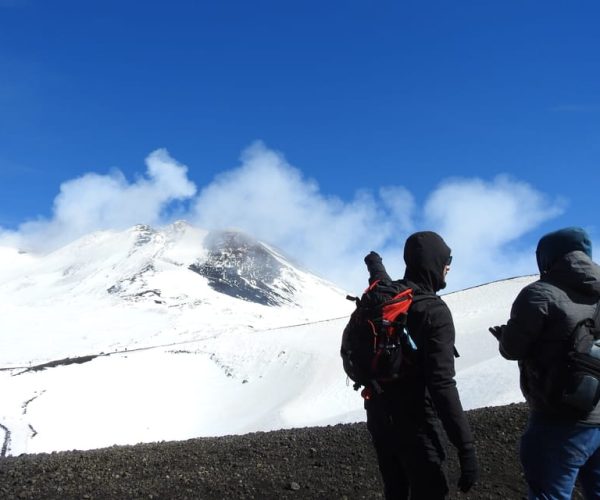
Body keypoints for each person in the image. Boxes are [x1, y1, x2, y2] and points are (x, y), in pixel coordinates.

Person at [363, 231, 478, 499]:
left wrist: (372, 262)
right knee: (431, 490)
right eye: (446, 261)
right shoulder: (434, 311)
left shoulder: (387, 298)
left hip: (380, 417)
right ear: (434, 262)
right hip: (418, 423)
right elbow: (441, 384)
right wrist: (466, 447)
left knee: (396, 490)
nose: (448, 267)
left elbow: (377, 278)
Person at [489, 227, 600, 499]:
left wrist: (506, 337)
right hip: (598, 413)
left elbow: (512, 349)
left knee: (549, 493)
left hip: (558, 419)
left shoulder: (539, 294)